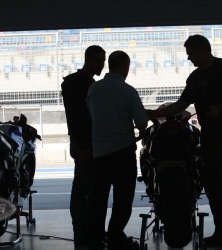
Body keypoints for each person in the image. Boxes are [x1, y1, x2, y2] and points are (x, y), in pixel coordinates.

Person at [146, 34, 222, 247]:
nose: (189, 58)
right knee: (212, 185)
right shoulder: (195, 78)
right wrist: (156, 113)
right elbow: (182, 104)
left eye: (191, 54)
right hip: (209, 138)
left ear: (202, 49)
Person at [86, 50, 148, 250]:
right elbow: (141, 123)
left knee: (98, 198)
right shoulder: (128, 91)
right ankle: (115, 235)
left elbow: (91, 115)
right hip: (123, 153)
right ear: (125, 67)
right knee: (123, 198)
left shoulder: (94, 89)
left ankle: (95, 238)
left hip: (100, 153)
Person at [61, 45, 106, 246]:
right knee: (82, 189)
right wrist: (83, 145)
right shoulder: (80, 84)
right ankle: (82, 230)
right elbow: (77, 117)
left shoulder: (80, 83)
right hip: (85, 143)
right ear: (87, 59)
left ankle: (84, 230)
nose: (102, 64)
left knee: (84, 188)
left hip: (85, 142)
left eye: (103, 60)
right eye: (98, 60)